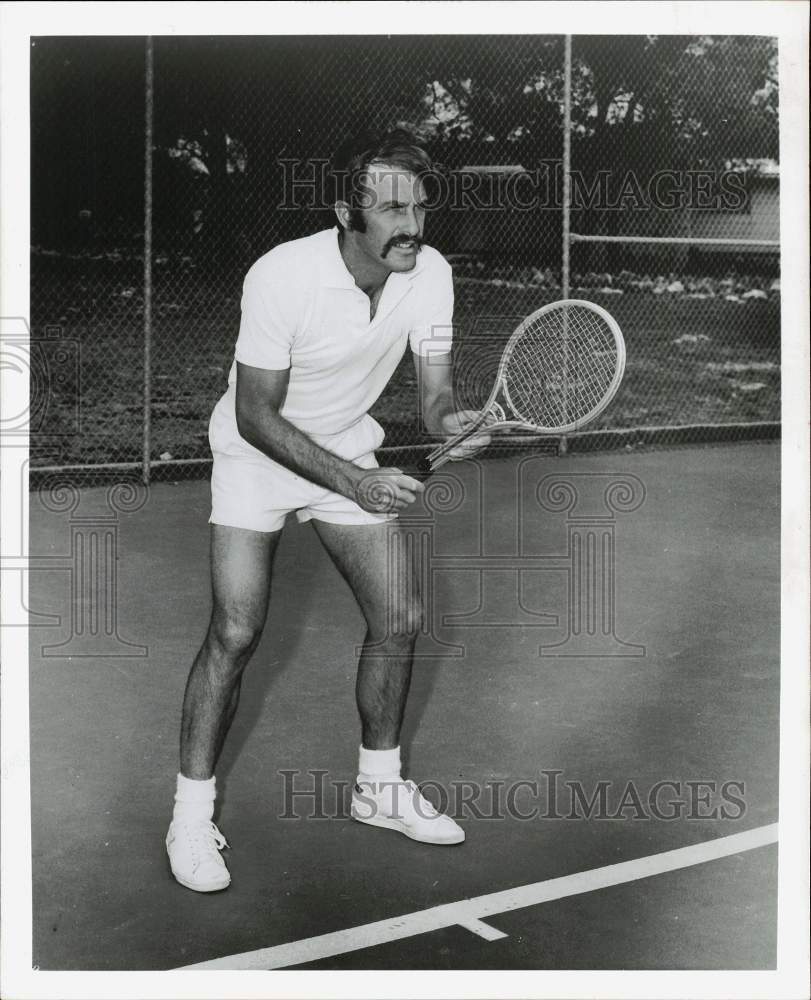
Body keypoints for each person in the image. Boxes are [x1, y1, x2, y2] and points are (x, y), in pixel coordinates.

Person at [165, 129, 490, 892]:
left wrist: (453, 424)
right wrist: (354, 483)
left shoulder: (430, 273)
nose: (412, 225)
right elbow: (254, 414)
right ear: (347, 212)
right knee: (237, 630)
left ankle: (378, 789)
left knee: (399, 618)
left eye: (419, 205)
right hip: (257, 457)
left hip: (345, 446)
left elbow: (435, 393)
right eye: (391, 209)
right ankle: (189, 814)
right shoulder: (282, 276)